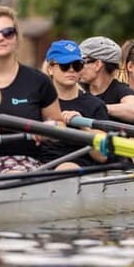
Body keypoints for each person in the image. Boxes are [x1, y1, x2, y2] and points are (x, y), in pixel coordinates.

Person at [0, 5, 61, 173]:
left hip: (24, 161)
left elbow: (59, 124)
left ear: (17, 38)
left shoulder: (38, 81)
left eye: (8, 32)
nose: (0, 38)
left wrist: (48, 128)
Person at [39, 40, 108, 170]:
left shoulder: (95, 105)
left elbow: (102, 156)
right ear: (50, 69)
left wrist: (84, 128)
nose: (71, 70)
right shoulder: (37, 101)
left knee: (67, 167)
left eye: (77, 65)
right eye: (64, 65)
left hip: (83, 172)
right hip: (41, 169)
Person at [79, 36, 134, 123]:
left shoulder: (120, 90)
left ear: (97, 65)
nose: (76, 68)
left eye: (81, 62)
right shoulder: (79, 88)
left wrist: (97, 108)